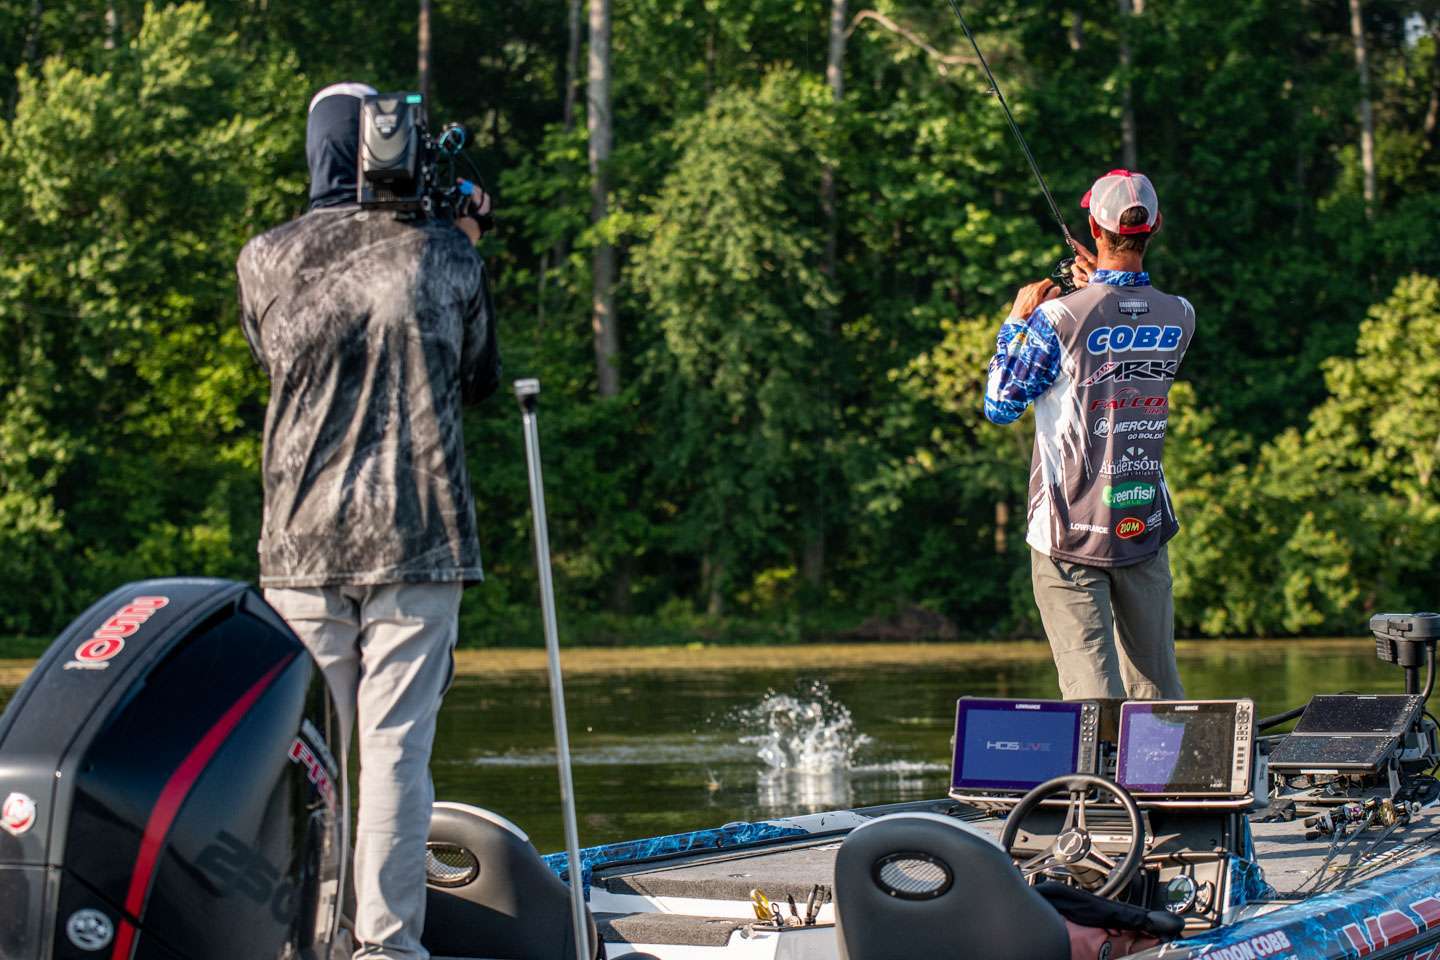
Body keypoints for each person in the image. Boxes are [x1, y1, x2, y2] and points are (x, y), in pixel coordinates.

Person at [236, 81, 500, 960]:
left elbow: (272, 358)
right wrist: (463, 239)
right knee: (392, 757)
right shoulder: (444, 256)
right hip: (418, 542)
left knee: (302, 768)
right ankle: (385, 948)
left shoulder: (264, 258)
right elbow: (477, 374)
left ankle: (299, 940)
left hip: (299, 546)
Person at [983, 169, 1194, 714]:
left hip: (1068, 532)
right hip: (1142, 525)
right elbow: (1120, 326)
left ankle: (1099, 800)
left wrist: (1016, 322)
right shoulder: (1181, 316)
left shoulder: (1054, 318)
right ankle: (1166, 795)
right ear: (1154, 228)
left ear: (1095, 230)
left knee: (1092, 704)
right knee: (1159, 696)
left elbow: (1000, 404)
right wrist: (1097, 286)